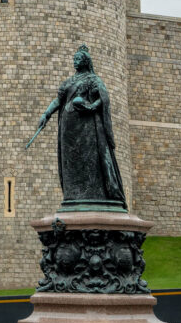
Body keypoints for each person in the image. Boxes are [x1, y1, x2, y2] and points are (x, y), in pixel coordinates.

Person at [35, 45, 126, 209]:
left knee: (90, 160)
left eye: (78, 59)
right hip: (69, 127)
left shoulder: (93, 80)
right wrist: (46, 114)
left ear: (85, 61)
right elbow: (59, 101)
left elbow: (103, 98)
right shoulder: (69, 82)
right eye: (74, 59)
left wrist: (92, 107)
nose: (75, 62)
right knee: (71, 161)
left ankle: (93, 194)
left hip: (87, 127)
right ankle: (73, 194)